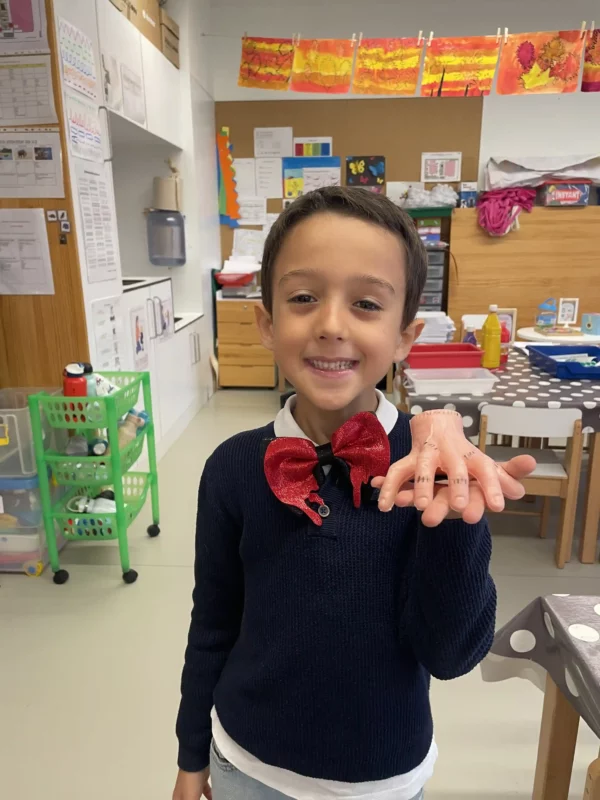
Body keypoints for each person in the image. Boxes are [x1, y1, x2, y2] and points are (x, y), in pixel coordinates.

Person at [173, 187, 535, 800]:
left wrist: (456, 520)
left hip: (383, 779)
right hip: (245, 764)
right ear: (266, 323)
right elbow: (212, 621)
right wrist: (190, 755)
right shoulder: (232, 467)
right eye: (303, 297)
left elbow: (451, 656)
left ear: (404, 336)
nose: (331, 325)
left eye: (366, 303)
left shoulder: (431, 466)